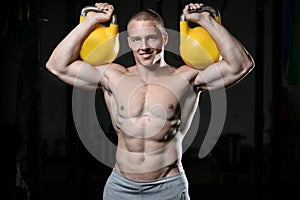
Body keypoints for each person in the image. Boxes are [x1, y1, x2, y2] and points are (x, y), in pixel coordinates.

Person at [46, 2, 254, 200]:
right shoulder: (112, 77)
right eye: (136, 39)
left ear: (164, 38)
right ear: (128, 42)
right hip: (121, 187)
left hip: (168, 186)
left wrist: (206, 21)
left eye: (151, 38)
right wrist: (90, 21)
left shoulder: (186, 77)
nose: (144, 46)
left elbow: (241, 65)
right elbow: (57, 65)